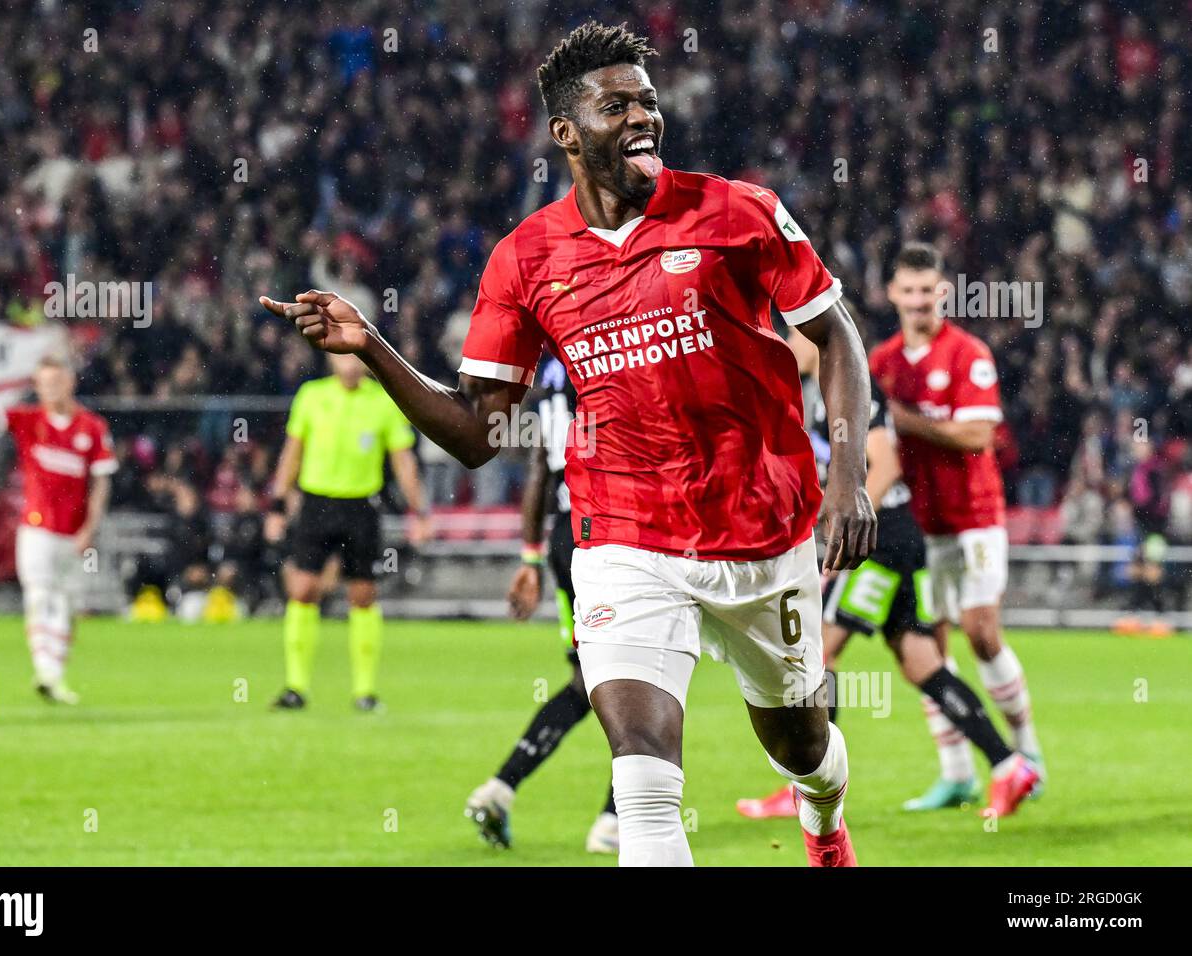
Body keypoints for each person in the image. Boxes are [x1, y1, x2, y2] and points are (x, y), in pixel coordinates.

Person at [262, 22, 877, 866]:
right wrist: (372, 347)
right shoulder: (525, 260)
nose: (643, 118)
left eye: (649, 102)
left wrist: (849, 477)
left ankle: (823, 820)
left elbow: (835, 336)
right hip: (623, 536)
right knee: (644, 779)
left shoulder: (738, 211)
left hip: (761, 526)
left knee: (802, 746)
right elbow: (478, 431)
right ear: (566, 133)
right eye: (617, 104)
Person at [738, 329, 1038, 820]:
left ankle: (808, 788)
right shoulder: (819, 394)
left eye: (793, 333)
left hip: (877, 544)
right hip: (899, 540)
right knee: (922, 663)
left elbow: (885, 465)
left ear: (816, 337)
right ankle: (1009, 766)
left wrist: (843, 531)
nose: (787, 343)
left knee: (818, 650)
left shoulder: (850, 389)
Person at [870, 242, 1046, 807]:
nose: (919, 301)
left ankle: (1025, 751)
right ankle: (956, 772)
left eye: (929, 291)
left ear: (943, 292)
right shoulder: (881, 363)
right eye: (910, 291)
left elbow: (977, 436)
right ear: (893, 293)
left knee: (981, 630)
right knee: (929, 647)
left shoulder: (968, 353)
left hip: (974, 517)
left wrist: (902, 418)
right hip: (920, 526)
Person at [464, 353, 618, 854]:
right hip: (617, 531)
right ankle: (617, 820)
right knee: (654, 676)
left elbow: (539, 469)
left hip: (564, 535)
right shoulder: (607, 344)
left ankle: (501, 788)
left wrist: (530, 557)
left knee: (585, 683)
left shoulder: (553, 372)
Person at [264, 353, 432, 712]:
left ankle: (365, 692)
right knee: (303, 589)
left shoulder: (383, 401)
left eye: (356, 358)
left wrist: (418, 509)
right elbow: (293, 452)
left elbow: (403, 459)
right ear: (330, 359)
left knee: (363, 595)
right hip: (316, 503)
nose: (350, 364)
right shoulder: (311, 395)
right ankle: (295, 687)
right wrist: (278, 504)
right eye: (343, 357)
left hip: (361, 507)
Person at [0, 354, 116, 704]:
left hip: (74, 532)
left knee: (67, 603)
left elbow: (101, 484)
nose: (49, 388)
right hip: (35, 528)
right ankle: (45, 669)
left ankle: (55, 676)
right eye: (43, 383)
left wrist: (90, 529)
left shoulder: (92, 428)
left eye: (55, 381)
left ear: (70, 382)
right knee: (39, 593)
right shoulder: (27, 420)